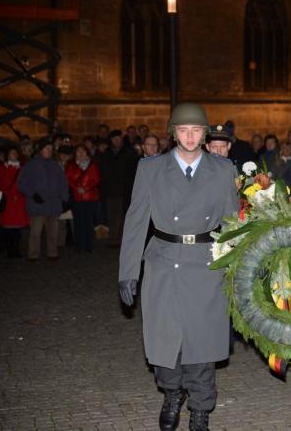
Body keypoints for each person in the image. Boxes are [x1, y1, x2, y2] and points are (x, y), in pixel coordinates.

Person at [118, 103, 238, 431]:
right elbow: (136, 221)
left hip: (205, 263)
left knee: (202, 342)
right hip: (163, 261)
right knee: (165, 341)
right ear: (173, 133)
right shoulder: (150, 169)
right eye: (183, 130)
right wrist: (128, 271)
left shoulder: (223, 169)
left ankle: (200, 409)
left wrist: (236, 270)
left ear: (205, 133)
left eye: (196, 130)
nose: (189, 136)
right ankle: (172, 393)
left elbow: (231, 224)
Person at [17, 138, 70, 262]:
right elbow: (22, 184)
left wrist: (64, 198)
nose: (50, 151)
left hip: (53, 204)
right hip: (38, 205)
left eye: (51, 149)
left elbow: (63, 183)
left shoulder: (55, 165)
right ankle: (33, 254)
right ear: (41, 150)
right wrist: (32, 194)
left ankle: (52, 253)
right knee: (35, 233)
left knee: (53, 232)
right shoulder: (31, 165)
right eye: (47, 149)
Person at [99, 129, 136, 247]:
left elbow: (132, 172)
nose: (116, 141)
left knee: (122, 216)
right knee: (111, 216)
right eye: (114, 139)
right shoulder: (106, 153)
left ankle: (122, 239)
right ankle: (113, 239)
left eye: (118, 138)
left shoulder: (129, 152)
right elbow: (103, 172)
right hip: (110, 190)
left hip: (124, 190)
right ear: (111, 140)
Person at [66, 145, 101, 253]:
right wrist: (77, 188)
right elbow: (68, 179)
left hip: (90, 197)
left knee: (88, 222)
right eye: (78, 151)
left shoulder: (93, 165)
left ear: (87, 153)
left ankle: (88, 246)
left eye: (83, 151)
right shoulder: (71, 165)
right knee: (78, 222)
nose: (81, 153)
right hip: (77, 198)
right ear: (75, 154)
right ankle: (79, 246)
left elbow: (96, 179)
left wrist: (85, 188)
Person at [0, 146, 29, 258]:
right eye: (11, 153)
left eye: (15, 153)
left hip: (19, 201)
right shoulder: (1, 168)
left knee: (18, 228)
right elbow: (1, 183)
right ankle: (10, 250)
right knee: (9, 228)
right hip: (9, 202)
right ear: (7, 155)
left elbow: (26, 183)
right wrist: (11, 195)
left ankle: (16, 249)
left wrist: (20, 194)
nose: (13, 155)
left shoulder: (22, 167)